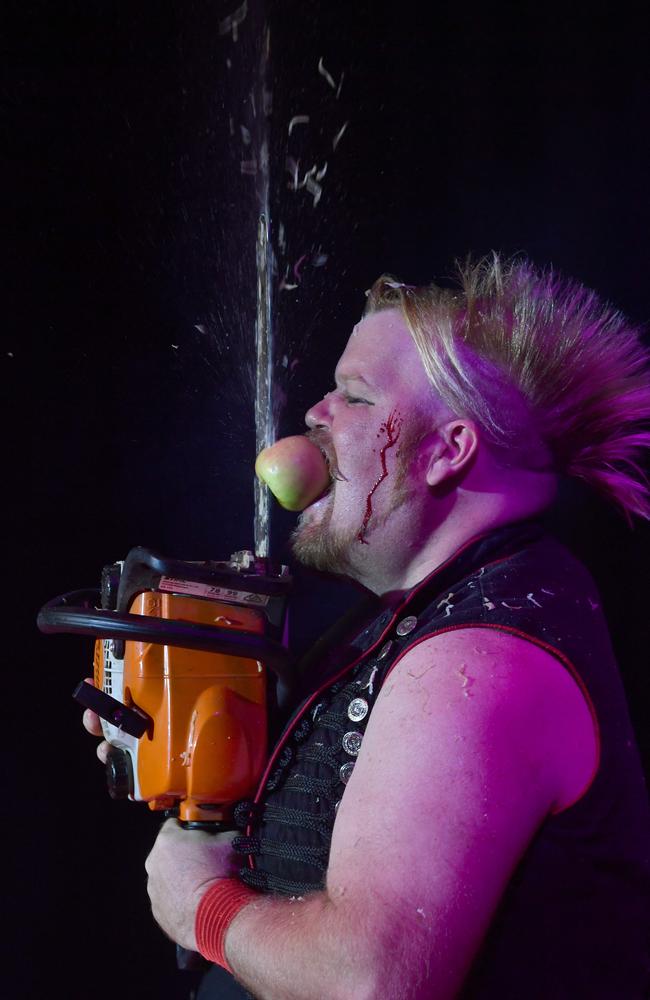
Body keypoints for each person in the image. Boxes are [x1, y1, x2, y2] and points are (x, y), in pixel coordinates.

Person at [85, 254, 650, 998]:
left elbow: (370, 981)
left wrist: (201, 908)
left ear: (448, 451)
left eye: (353, 395)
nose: (315, 414)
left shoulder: (477, 662)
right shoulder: (421, 614)